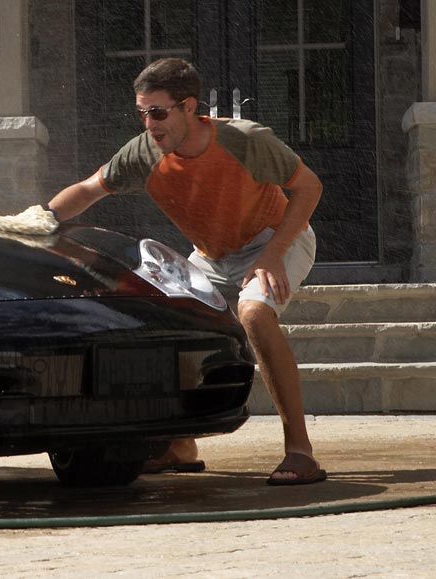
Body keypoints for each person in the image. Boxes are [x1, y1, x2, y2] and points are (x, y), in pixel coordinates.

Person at [46, 57, 326, 486]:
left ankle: (300, 452)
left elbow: (309, 188)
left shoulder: (245, 140)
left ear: (189, 106)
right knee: (171, 320)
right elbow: (86, 190)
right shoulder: (144, 152)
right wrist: (38, 220)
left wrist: (271, 255)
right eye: (141, 112)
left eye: (157, 112)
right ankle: (181, 444)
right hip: (211, 255)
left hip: (274, 240)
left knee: (253, 313)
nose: (149, 123)